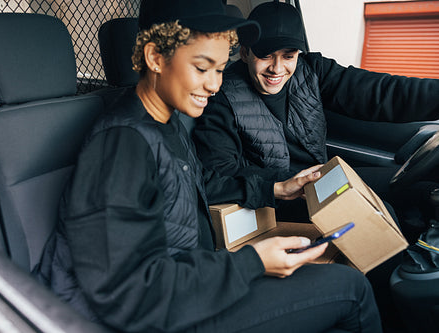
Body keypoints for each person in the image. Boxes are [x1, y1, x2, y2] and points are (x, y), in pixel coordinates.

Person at [35, 0, 382, 332]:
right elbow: (127, 293)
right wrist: (253, 263)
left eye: (218, 69)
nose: (215, 85)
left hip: (190, 285)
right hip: (151, 315)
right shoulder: (121, 145)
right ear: (155, 57)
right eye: (202, 68)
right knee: (352, 291)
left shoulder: (166, 121)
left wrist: (274, 188)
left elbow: (201, 186)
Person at [192, 1, 439, 224]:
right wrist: (282, 184)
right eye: (266, 56)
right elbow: (220, 171)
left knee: (423, 189)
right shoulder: (221, 95)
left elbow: (383, 93)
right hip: (276, 202)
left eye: (288, 56)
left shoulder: (313, 71)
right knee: (377, 214)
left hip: (322, 178)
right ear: (245, 53)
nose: (277, 68)